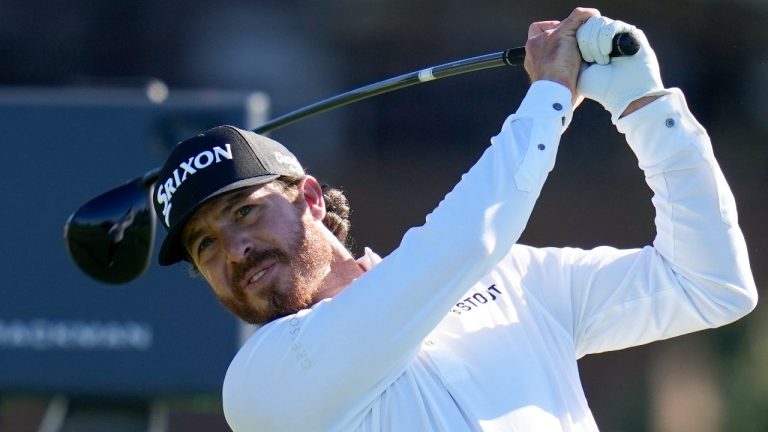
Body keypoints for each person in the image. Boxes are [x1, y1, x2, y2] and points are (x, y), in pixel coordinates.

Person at [152, 7, 757, 431]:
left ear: (310, 198)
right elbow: (462, 243)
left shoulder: (513, 280)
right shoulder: (259, 386)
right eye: (204, 245)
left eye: (245, 212)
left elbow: (708, 287)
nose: (233, 250)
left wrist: (644, 106)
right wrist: (549, 97)